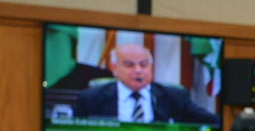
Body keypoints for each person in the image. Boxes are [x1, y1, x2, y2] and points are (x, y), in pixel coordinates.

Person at [73, 43, 219, 125]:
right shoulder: (91, 98)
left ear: (151, 67)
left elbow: (210, 122)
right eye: (129, 65)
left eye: (144, 65)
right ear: (114, 68)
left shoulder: (175, 96)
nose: (138, 71)